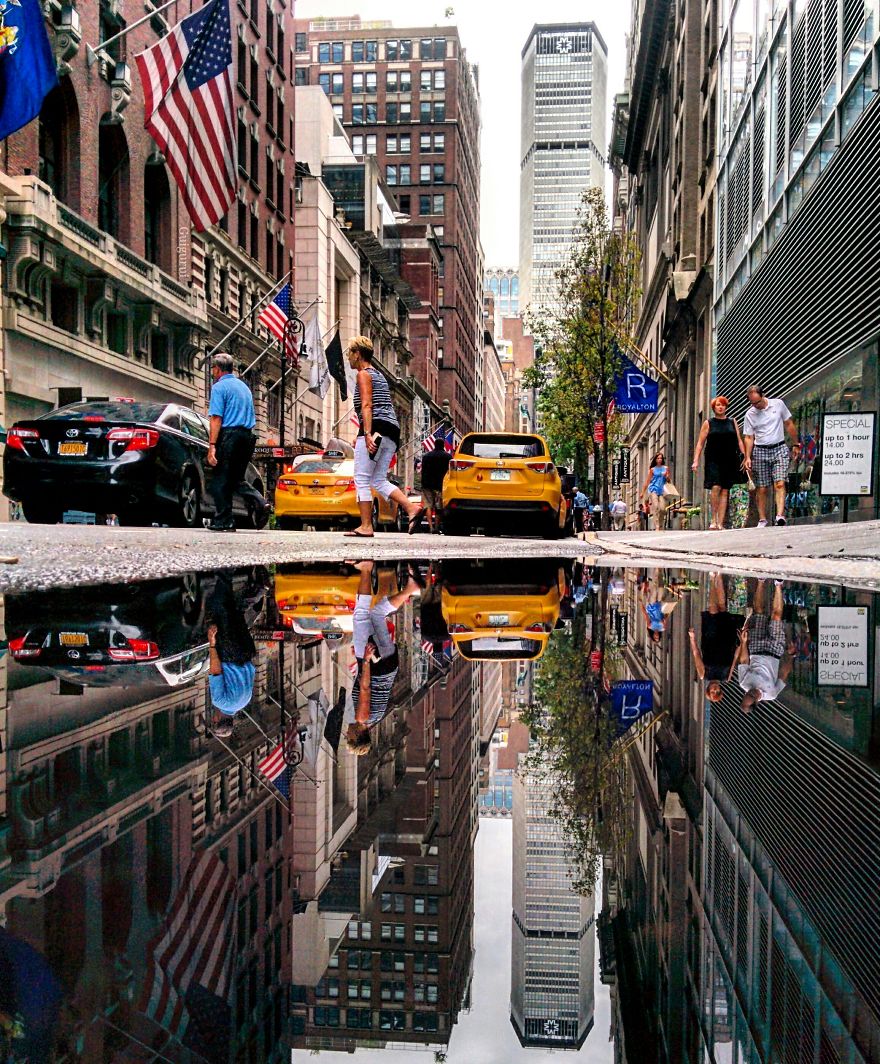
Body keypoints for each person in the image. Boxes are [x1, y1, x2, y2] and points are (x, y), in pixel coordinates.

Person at [344, 336, 424, 538]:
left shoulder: (363, 374)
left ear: (357, 354)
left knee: (361, 478)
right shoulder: (379, 375)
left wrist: (367, 434)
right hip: (391, 430)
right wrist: (362, 434)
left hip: (376, 429)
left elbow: (367, 405)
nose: (348, 357)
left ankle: (366, 526)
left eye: (349, 353)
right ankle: (411, 508)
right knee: (378, 479)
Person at [344, 561, 424, 754]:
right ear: (358, 735)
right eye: (349, 738)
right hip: (375, 665)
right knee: (361, 614)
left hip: (388, 664)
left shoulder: (376, 718)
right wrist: (366, 660)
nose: (346, 734)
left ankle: (411, 589)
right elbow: (365, 688)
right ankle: (366, 568)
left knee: (377, 614)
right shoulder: (362, 718)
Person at [206, 353, 271, 533]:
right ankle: (259, 502)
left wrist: (212, 445)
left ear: (218, 369)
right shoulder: (244, 387)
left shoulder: (219, 387)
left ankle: (224, 520)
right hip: (247, 437)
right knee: (236, 478)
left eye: (213, 368)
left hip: (230, 436)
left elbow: (216, 418)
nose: (212, 371)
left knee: (221, 479)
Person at [206, 572, 257, 735]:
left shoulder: (244, 702)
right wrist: (212, 644)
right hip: (230, 652)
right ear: (216, 719)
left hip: (247, 651)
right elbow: (216, 671)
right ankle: (224, 572)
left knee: (234, 613)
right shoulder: (220, 702)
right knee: (220, 608)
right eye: (213, 720)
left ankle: (255, 586)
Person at [741, 385, 798, 527]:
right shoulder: (750, 414)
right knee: (762, 487)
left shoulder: (778, 404)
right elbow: (749, 437)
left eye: (758, 402)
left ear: (763, 395)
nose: (756, 405)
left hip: (779, 447)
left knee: (780, 482)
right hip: (760, 450)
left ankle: (780, 516)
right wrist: (747, 457)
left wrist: (796, 443)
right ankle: (762, 519)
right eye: (753, 403)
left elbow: (788, 424)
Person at [734, 579, 794, 711]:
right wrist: (791, 656)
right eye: (752, 695)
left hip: (756, 648)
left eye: (747, 694)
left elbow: (744, 661)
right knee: (776, 616)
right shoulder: (771, 694)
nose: (751, 691)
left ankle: (761, 581)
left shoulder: (744, 683)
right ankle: (778, 585)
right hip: (775, 651)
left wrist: (744, 642)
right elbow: (783, 675)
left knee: (759, 612)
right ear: (757, 702)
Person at [688, 573, 746, 702]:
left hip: (711, 638)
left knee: (713, 609)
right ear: (720, 689)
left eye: (712, 691)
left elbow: (696, 654)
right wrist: (742, 643)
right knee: (723, 607)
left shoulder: (703, 675)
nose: (715, 689)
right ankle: (718, 576)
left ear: (708, 689)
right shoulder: (727, 677)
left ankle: (711, 579)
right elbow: (735, 657)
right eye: (717, 691)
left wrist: (692, 638)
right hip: (727, 639)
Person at [691, 396, 746, 529]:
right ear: (714, 408)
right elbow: (700, 443)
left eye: (723, 405)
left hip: (730, 459)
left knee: (725, 489)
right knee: (716, 486)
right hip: (713, 459)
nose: (720, 407)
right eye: (718, 405)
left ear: (726, 407)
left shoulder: (732, 421)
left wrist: (745, 456)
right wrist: (695, 460)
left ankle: (720, 522)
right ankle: (713, 519)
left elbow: (739, 440)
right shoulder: (708, 423)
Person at [420, 435, 452, 533]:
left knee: (428, 506)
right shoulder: (448, 457)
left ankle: (431, 527)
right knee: (439, 507)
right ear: (443, 445)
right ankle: (437, 527)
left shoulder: (426, 456)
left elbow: (423, 471)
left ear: (434, 444)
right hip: (440, 485)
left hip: (427, 485)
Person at [640, 571, 680, 643]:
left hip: (651, 605)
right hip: (659, 605)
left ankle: (656, 572)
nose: (656, 636)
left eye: (655, 637)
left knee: (655, 589)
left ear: (653, 636)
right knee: (661, 588)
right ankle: (660, 573)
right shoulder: (663, 628)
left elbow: (645, 615)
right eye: (658, 637)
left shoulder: (650, 626)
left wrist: (641, 604)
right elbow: (666, 616)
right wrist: (663, 620)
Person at [639, 450, 671, 530]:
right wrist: (642, 492)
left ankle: (661, 525)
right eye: (658, 458)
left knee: (662, 509)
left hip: (662, 490)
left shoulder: (666, 468)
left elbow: (668, 481)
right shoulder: (652, 470)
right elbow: (647, 481)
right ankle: (657, 526)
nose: (659, 459)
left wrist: (666, 476)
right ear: (655, 460)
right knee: (656, 506)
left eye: (661, 458)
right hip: (653, 489)